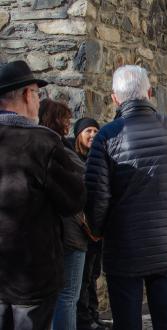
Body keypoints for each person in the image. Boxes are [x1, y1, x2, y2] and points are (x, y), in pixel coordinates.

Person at [84, 65, 167, 330]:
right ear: (150, 93)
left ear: (115, 98)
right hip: (166, 246)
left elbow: (98, 196)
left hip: (123, 247)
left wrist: (97, 230)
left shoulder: (107, 136)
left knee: (126, 323)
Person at [0, 60, 86, 329]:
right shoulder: (42, 142)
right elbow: (74, 200)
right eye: (37, 94)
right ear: (27, 94)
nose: (38, 101)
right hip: (31, 274)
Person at [38, 99, 89, 330]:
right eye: (65, 118)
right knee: (67, 296)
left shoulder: (39, 144)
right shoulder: (57, 148)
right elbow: (83, 179)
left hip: (47, 233)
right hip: (68, 232)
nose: (69, 122)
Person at [70, 117, 107, 330]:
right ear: (79, 134)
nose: (92, 135)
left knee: (93, 274)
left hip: (96, 228)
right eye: (88, 131)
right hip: (80, 229)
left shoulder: (97, 157)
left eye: (95, 131)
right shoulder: (74, 159)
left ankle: (93, 315)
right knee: (82, 278)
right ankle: (83, 320)